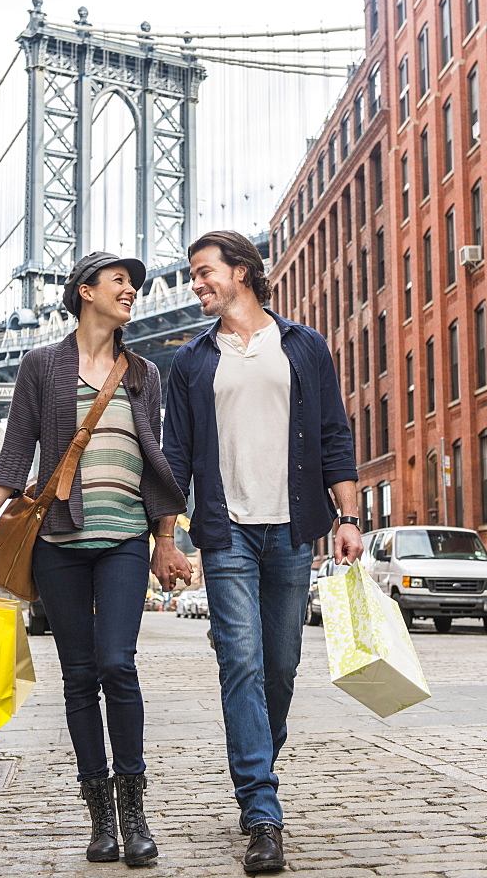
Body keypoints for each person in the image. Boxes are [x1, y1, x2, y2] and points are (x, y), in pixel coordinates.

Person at [0, 251, 191, 868]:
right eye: (120, 281)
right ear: (85, 292)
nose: (133, 291)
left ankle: (135, 810)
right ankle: (102, 819)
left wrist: (164, 536)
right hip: (58, 544)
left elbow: (158, 464)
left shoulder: (143, 372)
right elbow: (13, 459)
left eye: (137, 285)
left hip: (121, 543)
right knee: (80, 676)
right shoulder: (40, 366)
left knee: (119, 664)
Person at [158, 231, 362, 874]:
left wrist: (348, 515)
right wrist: (167, 537)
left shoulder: (302, 346)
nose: (194, 285)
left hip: (295, 526)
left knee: (279, 667)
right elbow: (176, 458)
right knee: (240, 663)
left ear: (241, 272)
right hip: (228, 532)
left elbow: (334, 431)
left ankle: (255, 772)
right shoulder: (190, 361)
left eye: (203, 273)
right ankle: (262, 810)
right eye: (193, 276)